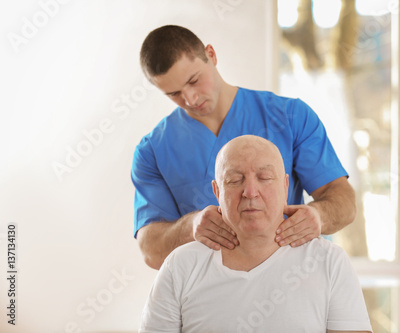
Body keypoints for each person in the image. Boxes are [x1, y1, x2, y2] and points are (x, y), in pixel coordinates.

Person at [132, 25, 356, 270]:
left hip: (288, 284)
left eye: (194, 81)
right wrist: (191, 226)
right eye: (174, 93)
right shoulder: (153, 150)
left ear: (211, 55)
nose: (191, 99)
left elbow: (343, 201)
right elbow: (150, 251)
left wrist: (319, 217)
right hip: (205, 298)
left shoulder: (289, 117)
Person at [139, 135, 372, 333]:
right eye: (234, 180)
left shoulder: (328, 262)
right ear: (217, 191)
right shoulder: (180, 266)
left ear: (285, 186)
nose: (250, 192)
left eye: (264, 178)